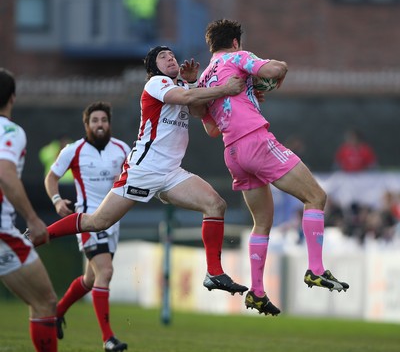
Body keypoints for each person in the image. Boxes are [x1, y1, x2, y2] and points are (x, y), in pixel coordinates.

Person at [27, 46, 248, 299]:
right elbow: (187, 99)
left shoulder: (184, 87)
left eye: (172, 56)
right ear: (154, 68)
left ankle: (214, 273)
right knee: (98, 222)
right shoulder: (156, 83)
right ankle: (38, 234)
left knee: (215, 205)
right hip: (144, 170)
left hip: (171, 173)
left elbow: (197, 109)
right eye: (163, 57)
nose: (170, 58)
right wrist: (224, 89)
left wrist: (192, 82)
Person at [194, 19, 349, 316]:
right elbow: (275, 70)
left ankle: (257, 291)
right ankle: (316, 269)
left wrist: (248, 91)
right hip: (255, 141)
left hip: (232, 153)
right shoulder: (238, 58)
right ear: (236, 42)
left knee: (262, 223)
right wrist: (277, 67)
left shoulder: (205, 78)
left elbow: (211, 129)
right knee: (316, 197)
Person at [44, 102, 131, 352]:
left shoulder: (122, 149)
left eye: (103, 120)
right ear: (87, 124)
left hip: (112, 221)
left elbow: (131, 177)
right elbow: (51, 178)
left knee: (91, 279)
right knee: (105, 272)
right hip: (86, 220)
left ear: (109, 123)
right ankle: (108, 338)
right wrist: (57, 200)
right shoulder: (73, 150)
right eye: (95, 120)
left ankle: (57, 313)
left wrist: (123, 180)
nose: (100, 124)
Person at [0, 68, 58, 352]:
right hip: (2, 233)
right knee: (45, 302)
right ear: (12, 98)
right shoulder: (9, 130)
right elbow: (5, 172)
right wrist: (33, 219)